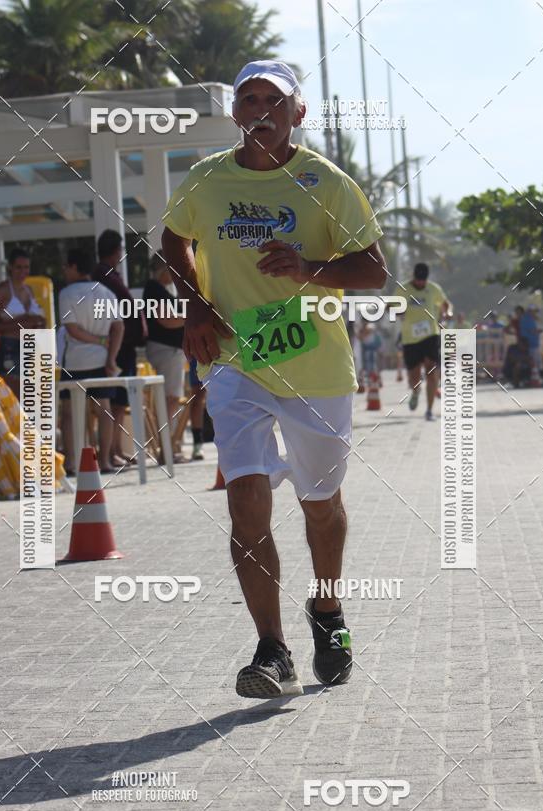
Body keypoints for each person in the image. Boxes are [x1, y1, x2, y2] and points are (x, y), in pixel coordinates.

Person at [162, 59, 386, 699]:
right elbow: (172, 239)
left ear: (298, 113)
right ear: (235, 112)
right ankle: (271, 649)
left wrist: (310, 268)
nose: (260, 108)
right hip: (236, 364)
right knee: (245, 499)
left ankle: (329, 611)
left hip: (315, 367)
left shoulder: (326, 183)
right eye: (249, 98)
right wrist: (196, 305)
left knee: (321, 506)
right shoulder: (205, 180)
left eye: (273, 99)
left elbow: (372, 273)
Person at [58, 248, 124, 475]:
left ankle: (71, 462)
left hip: (74, 361)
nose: (64, 271)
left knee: (69, 414)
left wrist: (99, 340)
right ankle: (104, 460)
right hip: (101, 360)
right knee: (104, 410)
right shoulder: (105, 292)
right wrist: (111, 355)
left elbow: (72, 330)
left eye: (66, 266)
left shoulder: (67, 294)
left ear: (75, 267)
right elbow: (119, 326)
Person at [93, 229, 148, 467]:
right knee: (114, 402)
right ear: (116, 252)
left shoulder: (107, 275)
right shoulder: (104, 277)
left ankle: (115, 448)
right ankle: (111, 450)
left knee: (119, 403)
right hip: (116, 347)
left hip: (123, 346)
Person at [144, 252, 187, 461]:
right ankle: (167, 449)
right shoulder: (154, 289)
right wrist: (191, 317)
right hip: (167, 351)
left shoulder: (158, 289)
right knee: (171, 399)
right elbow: (167, 319)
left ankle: (169, 446)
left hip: (167, 350)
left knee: (170, 399)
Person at [396, 262, 451, 421]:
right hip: (410, 338)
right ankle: (416, 391)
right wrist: (398, 312)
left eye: (423, 280)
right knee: (414, 376)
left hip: (430, 335)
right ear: (414, 277)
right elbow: (390, 306)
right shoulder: (403, 289)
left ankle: (429, 410)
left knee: (431, 371)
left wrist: (446, 314)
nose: (420, 282)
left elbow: (445, 304)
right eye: (418, 279)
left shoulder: (434, 288)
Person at [0, 247, 46, 394]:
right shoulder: (2, 291)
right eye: (18, 267)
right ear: (10, 268)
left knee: (32, 397)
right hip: (10, 347)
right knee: (14, 398)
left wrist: (39, 323)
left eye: (26, 267)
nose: (22, 272)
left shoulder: (29, 290)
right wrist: (22, 323)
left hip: (31, 347)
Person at [519, 305, 541, 373]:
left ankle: (532, 376)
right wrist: (539, 331)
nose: (535, 313)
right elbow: (532, 330)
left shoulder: (529, 318)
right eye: (534, 311)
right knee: (533, 361)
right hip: (530, 344)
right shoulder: (528, 319)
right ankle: (532, 376)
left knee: (533, 361)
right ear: (530, 311)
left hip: (530, 344)